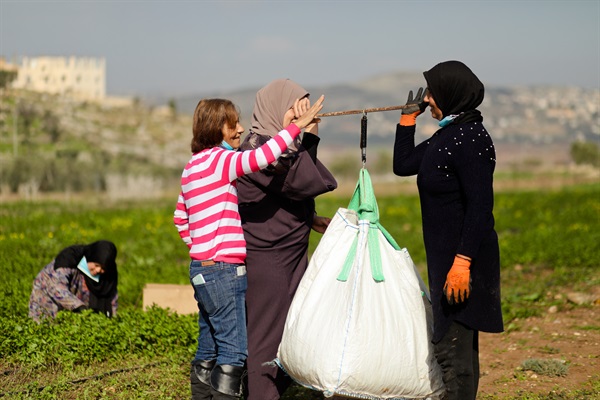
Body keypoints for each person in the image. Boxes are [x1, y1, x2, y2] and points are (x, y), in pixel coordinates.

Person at [173, 95, 325, 400]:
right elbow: (263, 157)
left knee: (209, 346)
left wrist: (202, 249)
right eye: (233, 124)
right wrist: (296, 129)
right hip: (225, 270)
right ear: (217, 128)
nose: (241, 129)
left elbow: (180, 218)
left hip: (201, 269)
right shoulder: (222, 162)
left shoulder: (191, 167)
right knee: (233, 352)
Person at [392, 60, 503, 400]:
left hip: (461, 260)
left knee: (453, 352)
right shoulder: (449, 134)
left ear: (449, 94)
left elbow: (481, 208)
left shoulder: (470, 139)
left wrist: (463, 262)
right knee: (457, 348)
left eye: (432, 92)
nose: (428, 98)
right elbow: (403, 165)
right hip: (448, 259)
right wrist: (408, 120)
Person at [236, 79, 337, 400]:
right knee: (266, 335)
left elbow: (294, 187)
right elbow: (296, 180)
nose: (301, 113)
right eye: (296, 106)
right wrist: (305, 134)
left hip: (291, 254)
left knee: (290, 330)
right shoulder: (257, 149)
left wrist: (311, 219)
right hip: (268, 259)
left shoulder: (279, 146)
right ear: (276, 108)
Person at [28, 240, 118, 322]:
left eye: (103, 268)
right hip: (48, 304)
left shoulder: (108, 275)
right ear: (90, 258)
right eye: (96, 265)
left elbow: (112, 301)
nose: (98, 270)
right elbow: (56, 288)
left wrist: (111, 322)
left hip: (75, 315)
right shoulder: (68, 260)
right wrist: (79, 307)